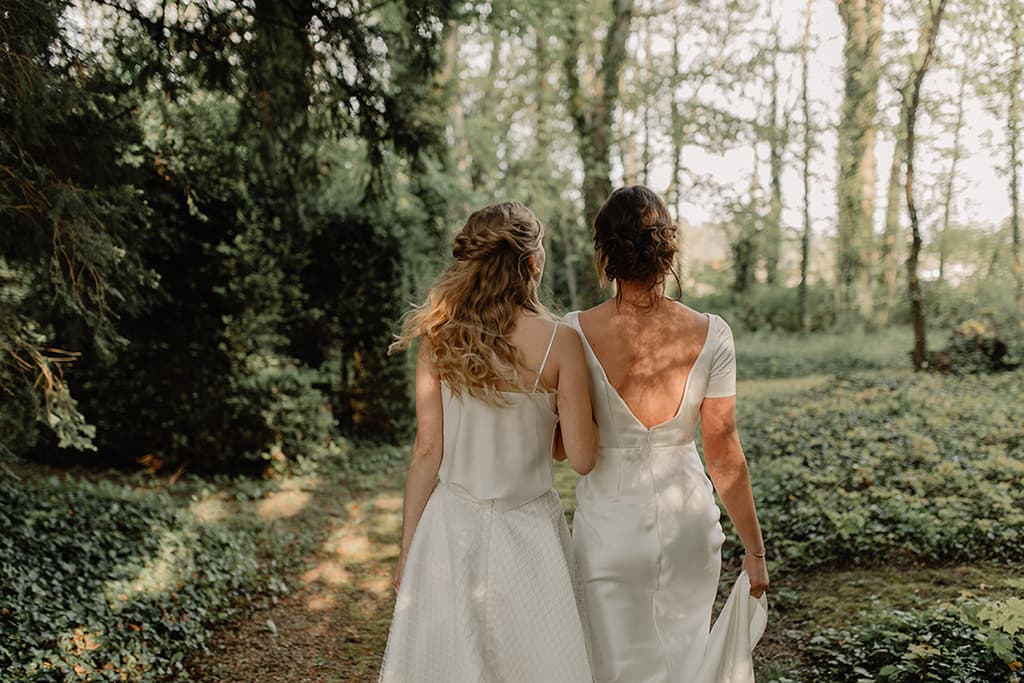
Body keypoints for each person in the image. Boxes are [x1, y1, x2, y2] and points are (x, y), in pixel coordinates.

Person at [378, 201, 598, 682]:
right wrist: (550, 419)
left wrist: (408, 547)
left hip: (451, 525)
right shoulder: (561, 342)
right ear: (532, 263)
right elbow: (581, 457)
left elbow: (427, 451)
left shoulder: (439, 337)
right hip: (532, 530)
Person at [564, 185, 769, 683]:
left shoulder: (571, 332)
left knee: (610, 667)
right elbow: (723, 453)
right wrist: (756, 552)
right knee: (684, 663)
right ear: (667, 248)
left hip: (608, 530)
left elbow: (562, 444)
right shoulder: (713, 332)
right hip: (688, 529)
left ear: (606, 251)